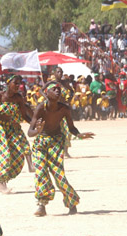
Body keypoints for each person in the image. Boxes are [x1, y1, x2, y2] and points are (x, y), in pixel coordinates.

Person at [28, 83, 94, 217]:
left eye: (59, 89)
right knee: (40, 173)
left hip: (56, 142)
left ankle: (71, 202)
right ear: (47, 93)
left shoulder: (64, 109)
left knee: (59, 175)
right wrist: (38, 131)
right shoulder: (40, 108)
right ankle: (41, 205)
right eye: (54, 89)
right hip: (40, 142)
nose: (58, 91)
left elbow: (71, 127)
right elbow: (30, 132)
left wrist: (79, 135)